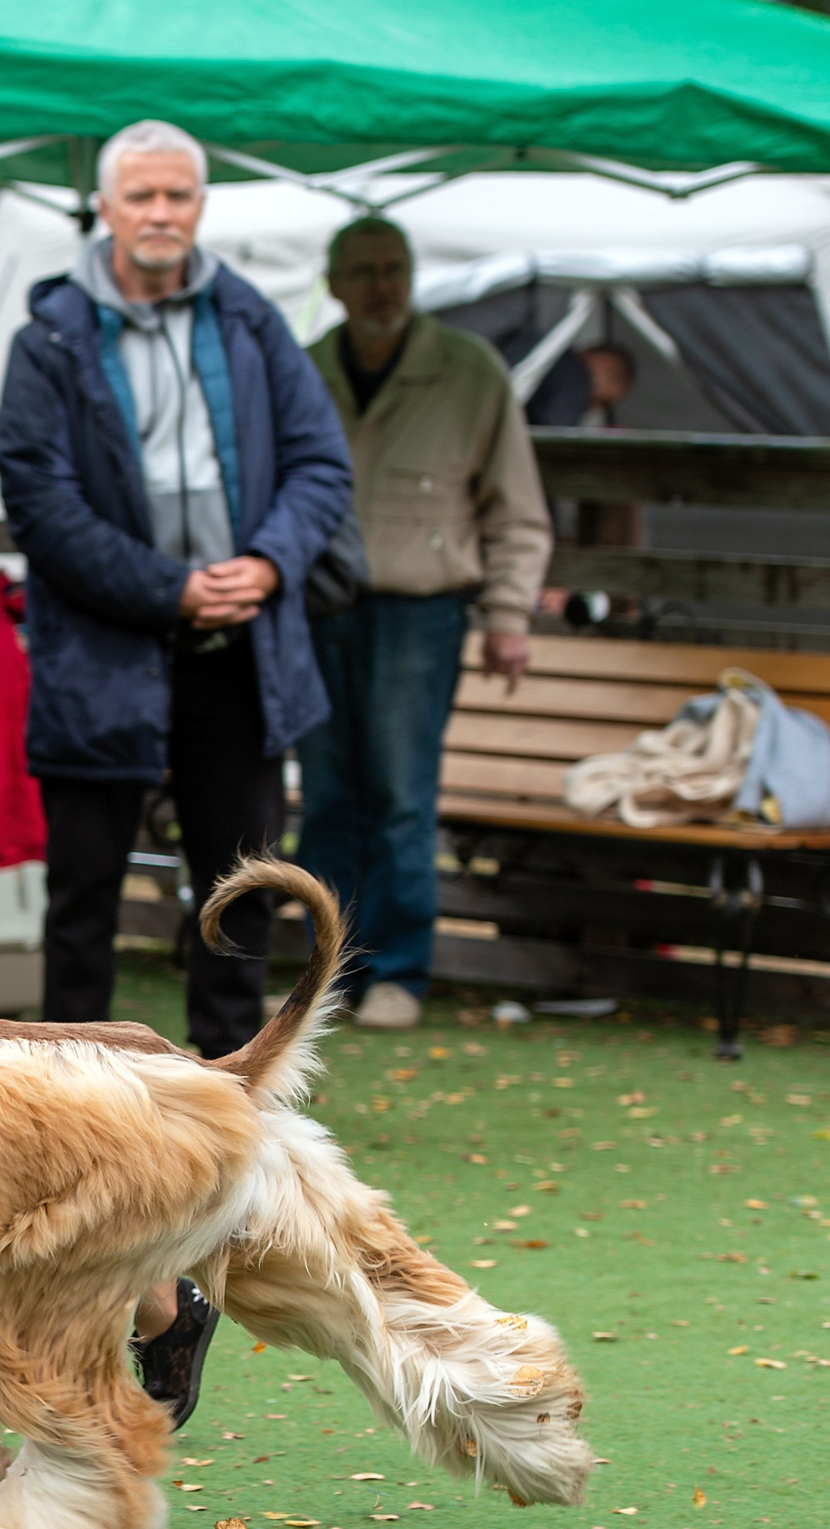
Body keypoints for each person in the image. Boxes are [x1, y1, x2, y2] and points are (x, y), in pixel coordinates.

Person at [0, 120, 349, 1412]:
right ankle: (66, 1132)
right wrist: (166, 586)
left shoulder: (252, 320)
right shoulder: (49, 334)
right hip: (107, 649)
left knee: (239, 888)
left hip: (243, 651)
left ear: (202, 204)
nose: (161, 211)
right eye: (140, 192)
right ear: (102, 206)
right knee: (83, 895)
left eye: (179, 193)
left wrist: (268, 561)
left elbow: (320, 463)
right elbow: (35, 498)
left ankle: (228, 1131)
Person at [301, 218, 551, 1031]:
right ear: (335, 283)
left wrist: (509, 614)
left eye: (395, 269)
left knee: (403, 798)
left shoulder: (467, 370)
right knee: (330, 796)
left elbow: (517, 508)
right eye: (365, 271)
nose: (382, 285)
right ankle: (325, 979)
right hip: (321, 605)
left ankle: (401, 971)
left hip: (423, 607)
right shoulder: (308, 370)